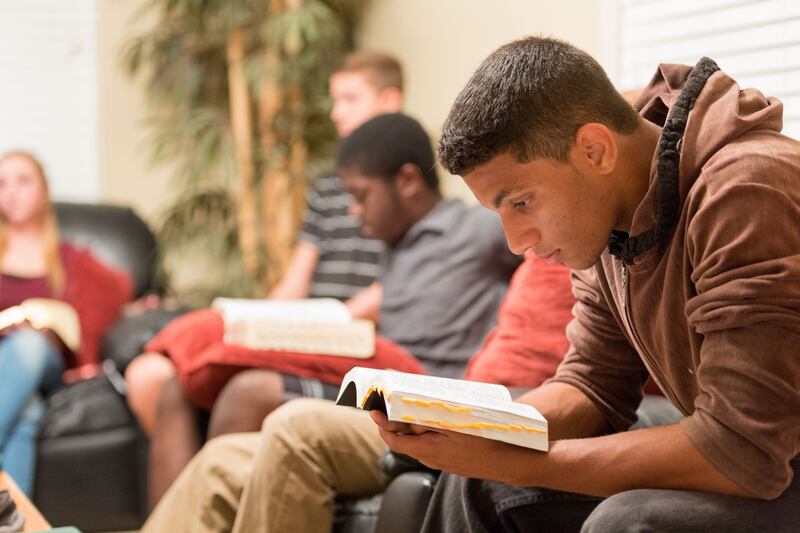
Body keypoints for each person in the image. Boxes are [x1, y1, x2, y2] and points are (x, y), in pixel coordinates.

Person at [368, 36, 800, 532]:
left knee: (626, 522)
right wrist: (471, 428)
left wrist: (514, 462)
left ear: (595, 150)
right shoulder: (612, 219)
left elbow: (742, 449)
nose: (515, 242)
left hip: (770, 459)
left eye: (522, 202)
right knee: (478, 483)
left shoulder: (744, 191)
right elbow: (593, 385)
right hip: (764, 460)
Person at [139, 219, 580, 533]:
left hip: (490, 407)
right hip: (459, 394)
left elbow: (589, 387)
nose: (515, 234)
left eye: (520, 201)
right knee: (220, 461)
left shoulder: (582, 250)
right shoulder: (415, 249)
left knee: (296, 426)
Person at [124, 50, 404, 437]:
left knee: (241, 385)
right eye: (334, 100)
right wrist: (261, 322)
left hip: (352, 338)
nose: (336, 113)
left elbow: (400, 284)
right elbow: (294, 281)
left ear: (389, 101)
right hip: (311, 324)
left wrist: (332, 323)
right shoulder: (327, 187)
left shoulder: (408, 184)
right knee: (149, 374)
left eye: (350, 99)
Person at [0, 151, 132, 496]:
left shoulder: (68, 258)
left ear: (43, 191)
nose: (11, 192)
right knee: (27, 413)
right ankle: (15, 519)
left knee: (28, 343)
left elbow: (117, 290)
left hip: (44, 362)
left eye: (22, 181)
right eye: (2, 184)